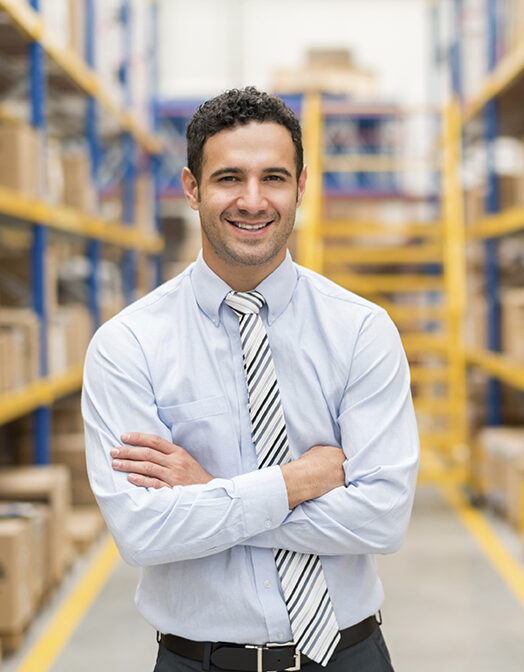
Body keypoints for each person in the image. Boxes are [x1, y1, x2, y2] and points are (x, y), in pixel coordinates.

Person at [82, 86, 420, 672]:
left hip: (349, 654)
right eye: (229, 178)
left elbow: (383, 518)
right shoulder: (129, 345)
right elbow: (143, 532)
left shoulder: (361, 331)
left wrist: (211, 489)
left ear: (301, 186)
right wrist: (295, 481)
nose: (254, 200)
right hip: (199, 660)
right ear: (192, 188)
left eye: (274, 178)